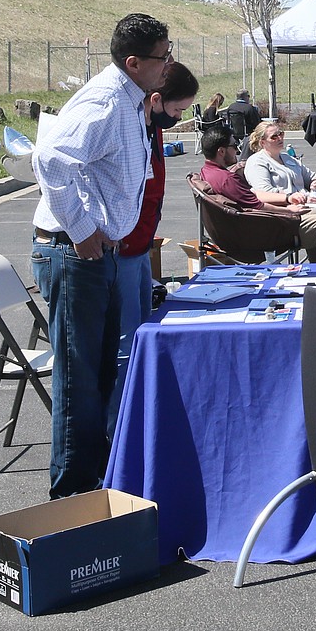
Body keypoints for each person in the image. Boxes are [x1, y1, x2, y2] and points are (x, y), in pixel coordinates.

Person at [31, 12, 172, 499]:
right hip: (76, 256)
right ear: (133, 63)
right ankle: (72, 501)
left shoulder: (131, 101)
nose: (168, 64)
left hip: (100, 254)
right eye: (162, 56)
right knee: (79, 383)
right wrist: (83, 228)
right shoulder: (107, 101)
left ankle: (97, 485)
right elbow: (49, 158)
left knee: (103, 375)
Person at [108, 61, 199, 438]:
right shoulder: (131, 125)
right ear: (157, 100)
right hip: (125, 249)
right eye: (177, 111)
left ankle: (137, 422)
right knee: (127, 347)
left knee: (142, 334)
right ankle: (118, 433)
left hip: (140, 247)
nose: (177, 118)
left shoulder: (151, 127)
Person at [199, 125, 316, 262]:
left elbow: (252, 204)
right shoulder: (227, 179)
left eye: (281, 133)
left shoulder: (207, 173)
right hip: (262, 232)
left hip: (249, 226)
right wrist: (288, 210)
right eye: (234, 145)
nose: (238, 150)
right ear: (221, 151)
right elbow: (258, 205)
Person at [225, 89, 261, 158]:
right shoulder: (249, 108)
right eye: (248, 96)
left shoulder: (231, 107)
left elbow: (229, 121)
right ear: (245, 97)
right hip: (248, 133)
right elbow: (256, 122)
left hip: (234, 132)